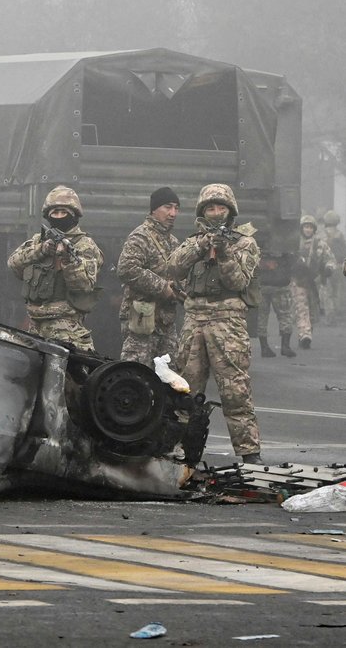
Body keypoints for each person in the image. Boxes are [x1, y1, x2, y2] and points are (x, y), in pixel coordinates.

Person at [168, 183, 264, 464]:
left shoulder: (245, 243)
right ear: (202, 211)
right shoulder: (193, 241)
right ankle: (183, 450)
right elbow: (173, 267)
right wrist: (201, 246)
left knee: (235, 389)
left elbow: (238, 281)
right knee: (186, 390)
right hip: (195, 319)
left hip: (228, 320)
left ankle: (249, 452)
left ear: (230, 211)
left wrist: (223, 253)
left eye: (221, 207)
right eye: (210, 207)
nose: (216, 212)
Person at [7, 185, 103, 352]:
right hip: (34, 328)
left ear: (73, 215)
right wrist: (41, 251)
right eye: (55, 213)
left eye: (63, 212)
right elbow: (13, 264)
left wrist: (66, 260)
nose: (59, 217)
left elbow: (84, 284)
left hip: (66, 331)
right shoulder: (39, 241)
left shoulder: (84, 245)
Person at [116, 186, 183, 368]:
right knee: (136, 374)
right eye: (168, 207)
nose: (173, 213)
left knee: (169, 377)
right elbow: (126, 269)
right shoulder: (141, 237)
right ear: (154, 209)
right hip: (141, 320)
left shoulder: (173, 242)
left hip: (166, 322)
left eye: (176, 208)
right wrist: (162, 287)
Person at [290, 214, 336, 349]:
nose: (308, 230)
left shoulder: (320, 244)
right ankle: (305, 335)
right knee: (301, 308)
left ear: (314, 229)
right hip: (298, 281)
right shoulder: (294, 243)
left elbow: (330, 259)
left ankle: (306, 333)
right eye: (306, 227)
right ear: (301, 228)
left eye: (310, 227)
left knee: (313, 312)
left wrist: (328, 268)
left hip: (315, 282)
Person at [255, 228, 297, 358]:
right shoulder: (286, 242)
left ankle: (264, 348)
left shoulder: (255, 243)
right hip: (280, 285)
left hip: (262, 285)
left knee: (261, 317)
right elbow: (293, 261)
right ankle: (285, 346)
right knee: (285, 315)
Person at [320, 210, 346, 324]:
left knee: (327, 291)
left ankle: (330, 316)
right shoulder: (340, 235)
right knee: (337, 291)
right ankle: (336, 313)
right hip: (339, 266)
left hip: (327, 267)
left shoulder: (322, 235)